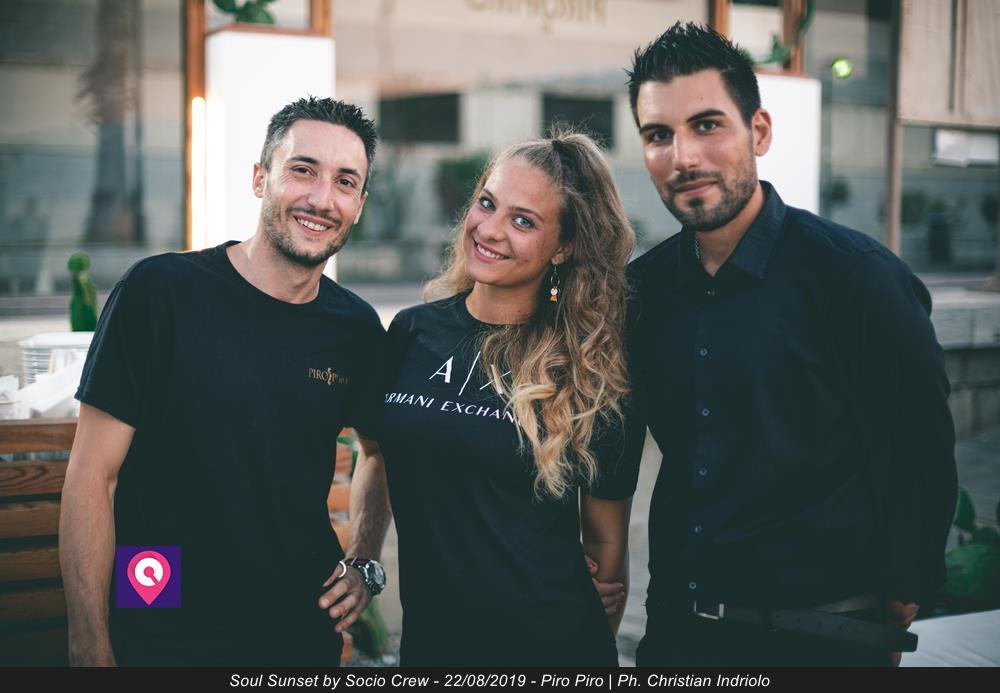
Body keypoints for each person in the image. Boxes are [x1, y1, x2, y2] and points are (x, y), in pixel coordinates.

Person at [622, 23, 958, 666]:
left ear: (760, 132)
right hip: (680, 636)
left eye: (707, 125)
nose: (682, 156)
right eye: (658, 134)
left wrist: (904, 593)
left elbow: (918, 450)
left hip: (825, 639)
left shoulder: (858, 278)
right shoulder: (644, 291)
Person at [59, 97, 391, 666]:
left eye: (345, 181)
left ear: (359, 204)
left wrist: (363, 560)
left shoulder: (356, 328)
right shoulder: (160, 292)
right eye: (303, 170)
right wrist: (89, 645)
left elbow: (379, 452)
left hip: (296, 627)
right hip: (160, 610)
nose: (321, 198)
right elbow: (93, 474)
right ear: (261, 178)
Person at [354, 132, 640, 666]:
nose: (489, 229)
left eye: (523, 221)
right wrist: (361, 560)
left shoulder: (589, 370)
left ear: (563, 247)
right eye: (487, 203)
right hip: (432, 648)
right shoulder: (413, 333)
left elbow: (606, 547)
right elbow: (375, 455)